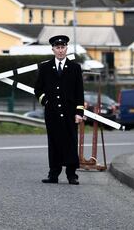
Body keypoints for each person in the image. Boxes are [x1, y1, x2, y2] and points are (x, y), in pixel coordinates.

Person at [34, 34, 85, 184]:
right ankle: (53, 174)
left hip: (70, 112)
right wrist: (47, 101)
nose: (61, 50)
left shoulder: (75, 68)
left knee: (70, 142)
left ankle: (71, 174)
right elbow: (37, 89)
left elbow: (79, 92)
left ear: (66, 49)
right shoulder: (45, 67)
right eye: (58, 47)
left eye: (63, 47)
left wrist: (79, 112)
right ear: (53, 49)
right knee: (54, 143)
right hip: (52, 112)